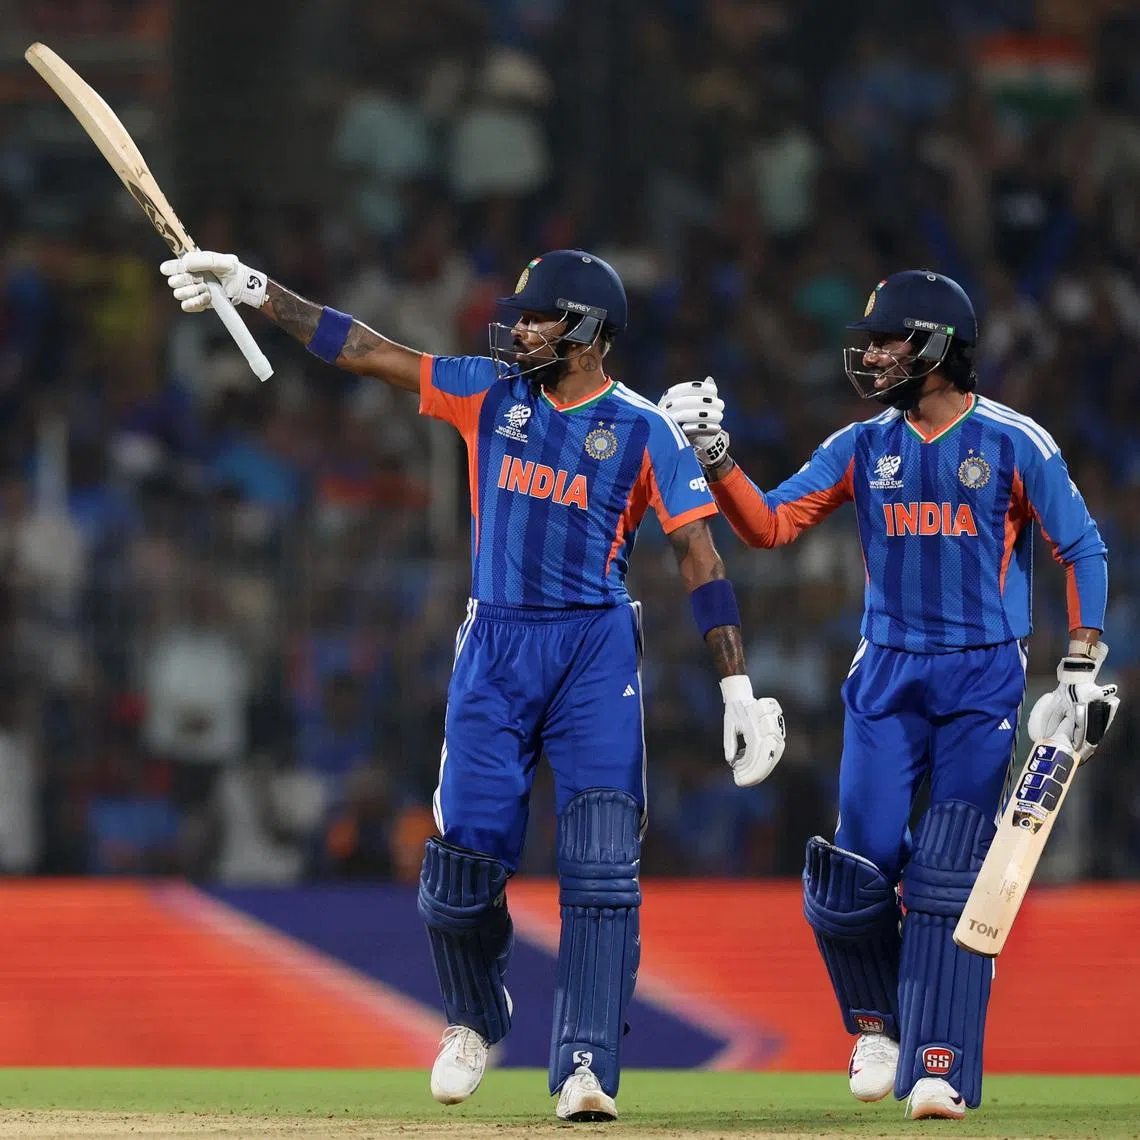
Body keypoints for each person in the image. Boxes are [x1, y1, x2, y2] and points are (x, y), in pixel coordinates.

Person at [160, 246, 786, 1121]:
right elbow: (366, 349)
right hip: (495, 644)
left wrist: (735, 688)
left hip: (593, 652)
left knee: (603, 867)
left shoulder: (646, 429)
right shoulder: (490, 392)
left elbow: (699, 551)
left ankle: (585, 1067)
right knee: (460, 868)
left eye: (541, 318)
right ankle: (474, 1019)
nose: (521, 328)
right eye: (521, 315)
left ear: (591, 333)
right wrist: (254, 288)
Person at [660, 269, 1120, 1120]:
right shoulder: (861, 445)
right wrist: (716, 459)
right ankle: (877, 1025)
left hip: (982, 677)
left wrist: (1081, 666)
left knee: (947, 872)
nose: (871, 355)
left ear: (940, 349)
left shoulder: (1016, 442)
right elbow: (769, 526)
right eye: (869, 342)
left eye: (889, 341)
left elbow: (1083, 550)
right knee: (854, 872)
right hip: (886, 676)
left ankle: (939, 1064)